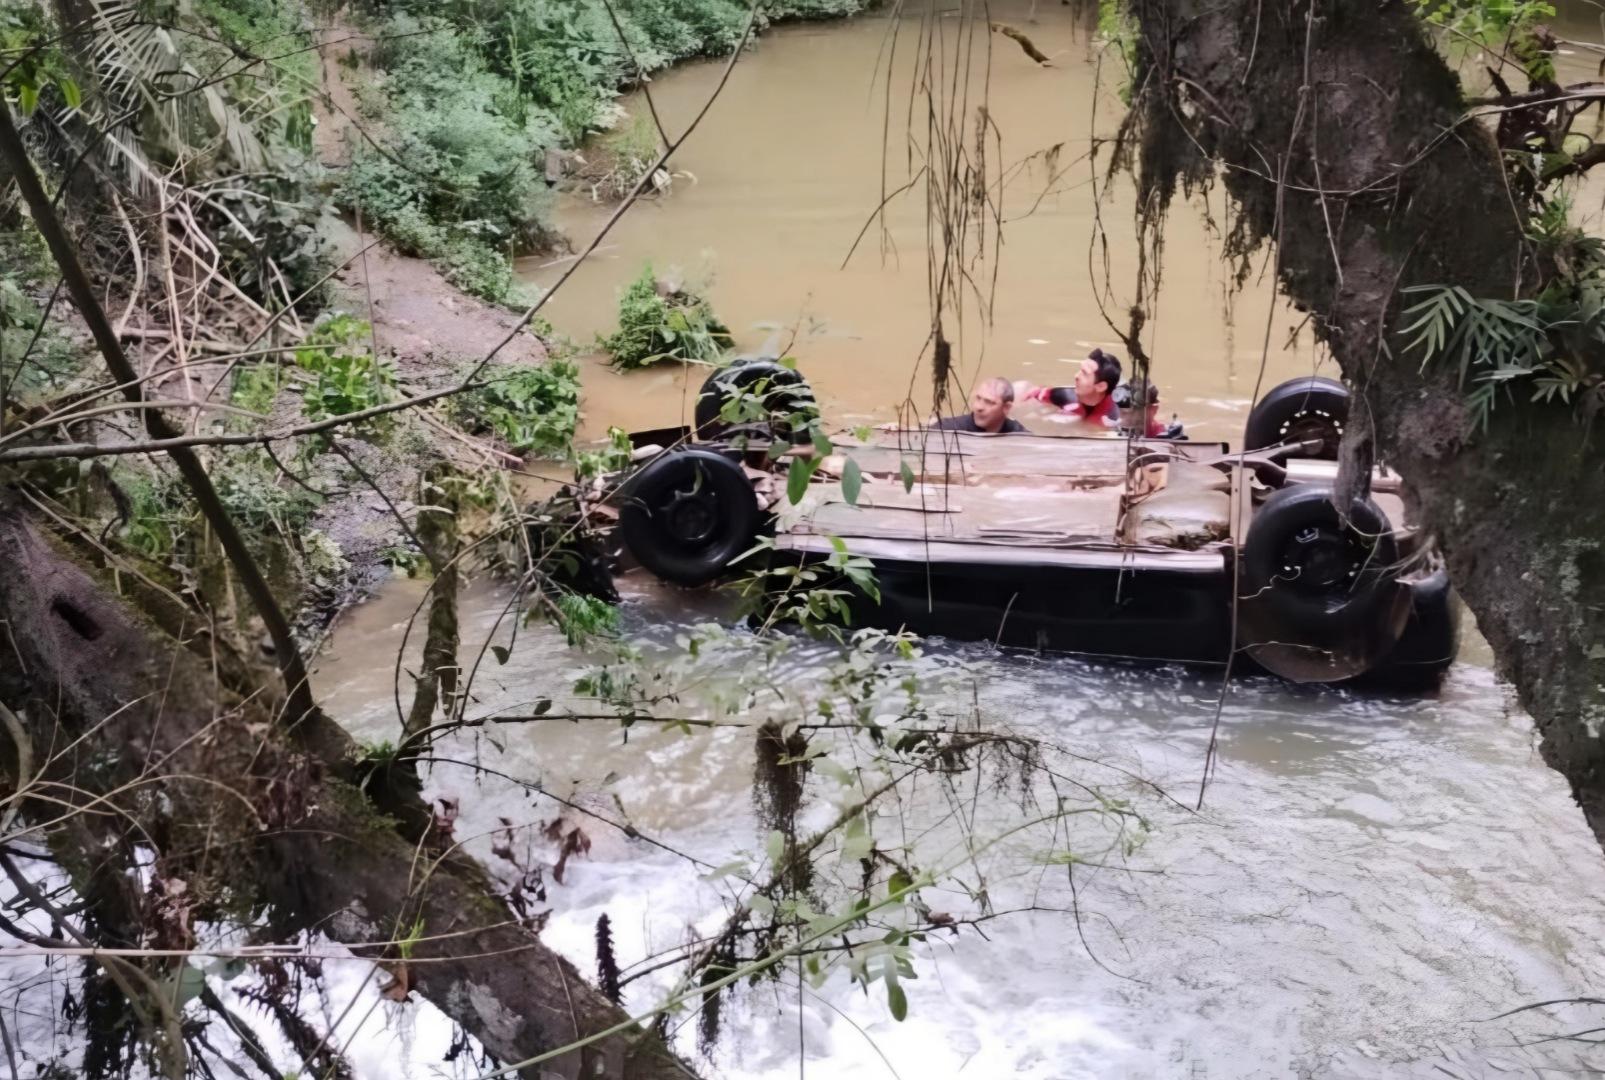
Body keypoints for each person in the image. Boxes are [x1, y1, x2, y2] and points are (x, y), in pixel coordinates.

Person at [1022, 349, 1122, 427]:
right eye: (1080, 370)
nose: (1076, 376)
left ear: (1100, 386)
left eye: (1084, 373)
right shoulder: (1065, 396)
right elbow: (1031, 393)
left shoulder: (1110, 421)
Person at [931, 376, 1025, 434]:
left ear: (1006, 407)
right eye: (978, 398)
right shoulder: (945, 429)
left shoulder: (1021, 437)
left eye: (989, 402)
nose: (978, 407)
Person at [1114, 381, 1185, 439]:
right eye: (1124, 412)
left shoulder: (1167, 434)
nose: (1129, 417)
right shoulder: (1112, 433)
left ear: (1154, 410)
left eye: (1137, 409)